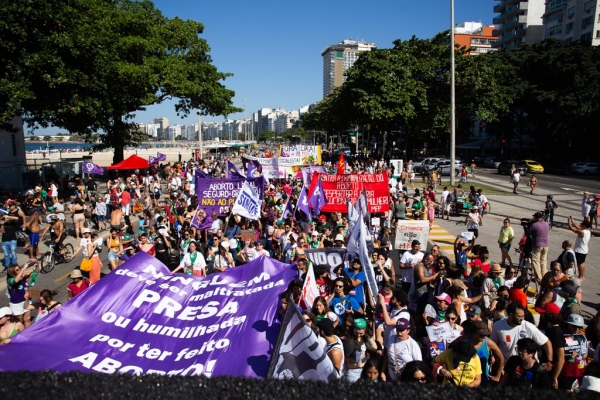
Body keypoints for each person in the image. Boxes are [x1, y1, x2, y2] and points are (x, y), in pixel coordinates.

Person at [342, 316, 369, 383]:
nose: (358, 335)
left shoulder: (363, 338)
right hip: (352, 373)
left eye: (361, 333)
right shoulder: (349, 342)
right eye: (356, 333)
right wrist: (359, 366)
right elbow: (347, 364)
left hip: (361, 371)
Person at [567, 217, 590, 283]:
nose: (581, 225)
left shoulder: (582, 232)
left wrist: (569, 222)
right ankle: (582, 276)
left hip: (579, 250)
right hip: (584, 250)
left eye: (582, 224)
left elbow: (572, 229)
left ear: (584, 226)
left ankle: (580, 276)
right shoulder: (587, 231)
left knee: (579, 264)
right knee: (582, 263)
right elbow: (579, 227)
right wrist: (573, 222)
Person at [529, 211, 550, 283]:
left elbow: (529, 232)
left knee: (536, 261)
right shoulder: (547, 224)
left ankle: (539, 278)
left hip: (537, 245)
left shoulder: (534, 225)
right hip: (546, 245)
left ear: (536, 218)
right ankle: (545, 275)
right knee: (543, 261)